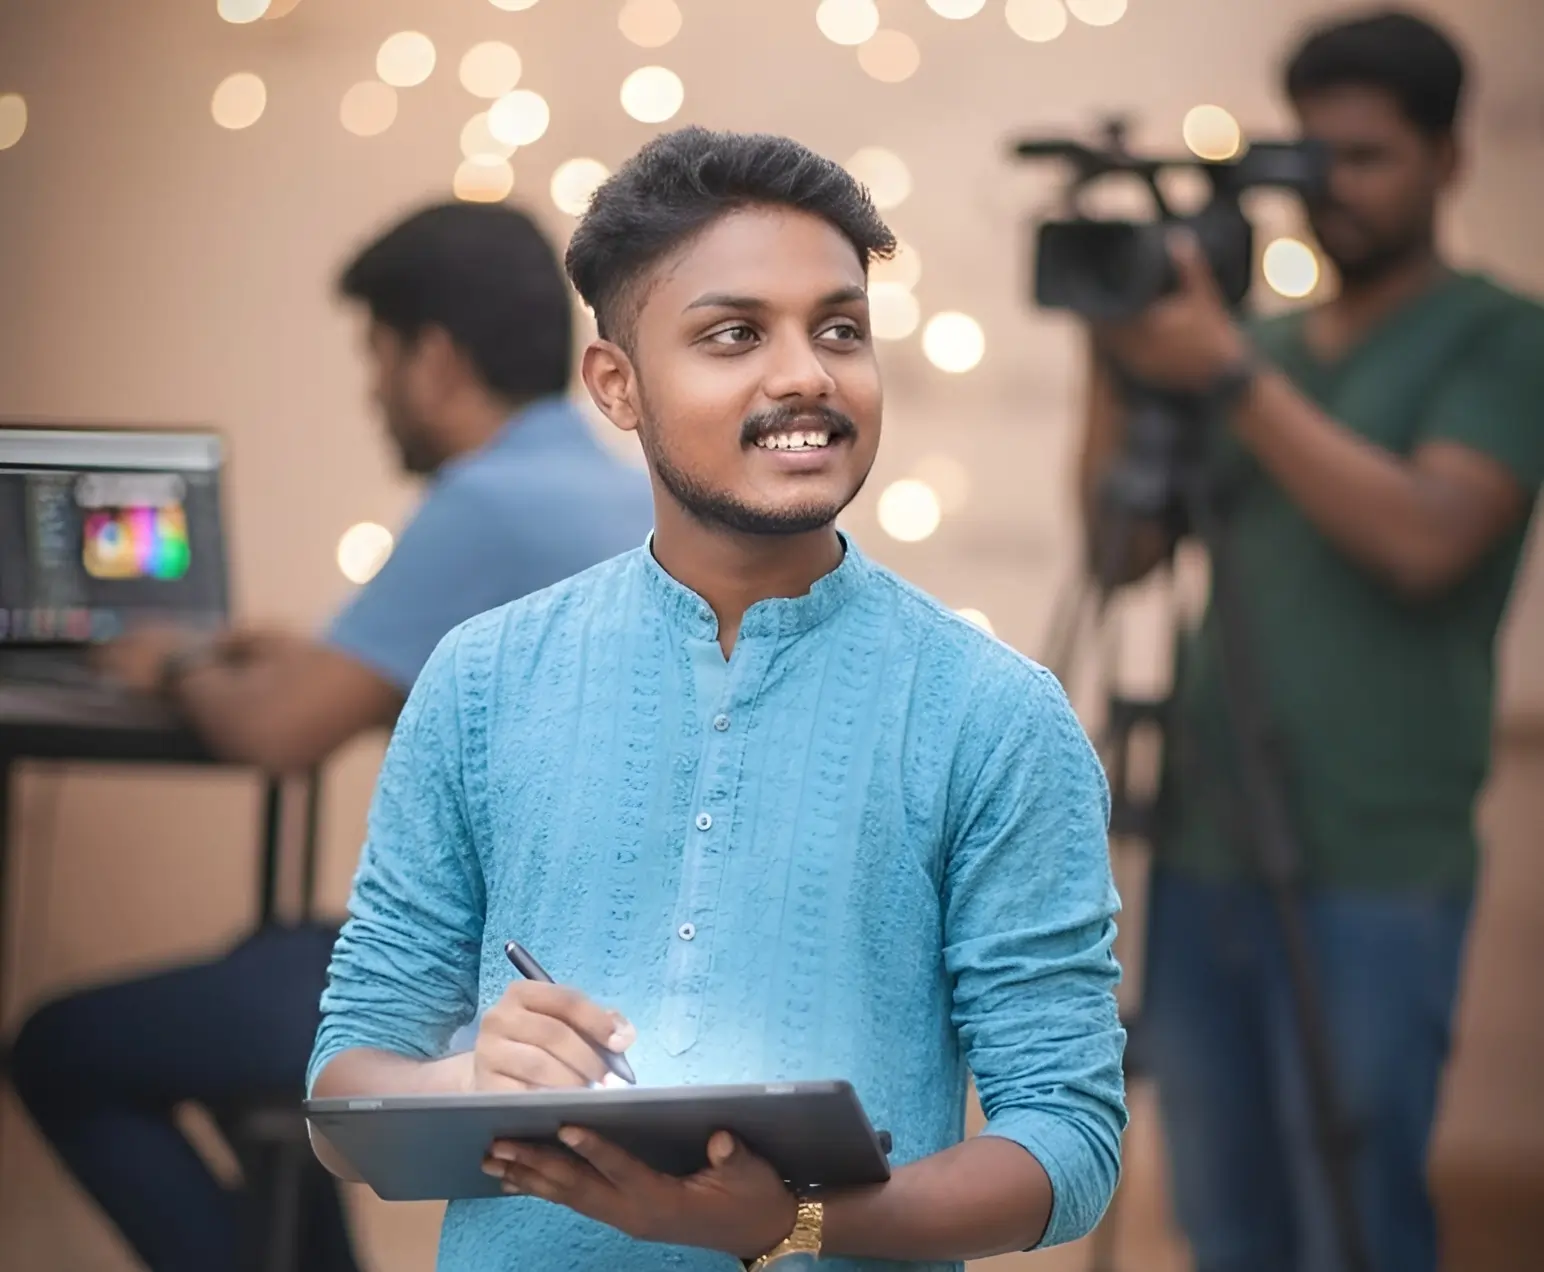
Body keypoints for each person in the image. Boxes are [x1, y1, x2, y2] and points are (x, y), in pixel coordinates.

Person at [307, 126, 1127, 1272]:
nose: (806, 373)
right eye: (734, 335)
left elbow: (1069, 1138)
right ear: (617, 385)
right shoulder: (483, 680)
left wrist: (794, 1222)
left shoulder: (992, 714)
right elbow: (347, 1081)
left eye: (839, 329)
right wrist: (463, 1084)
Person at [10, 201, 653, 1272]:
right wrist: (292, 653)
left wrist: (171, 660)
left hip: (506, 992)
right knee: (265, 969)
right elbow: (400, 685)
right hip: (590, 965)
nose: (372, 394)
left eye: (378, 358)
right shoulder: (592, 482)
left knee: (60, 1046)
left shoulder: (488, 501)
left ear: (434, 359)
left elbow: (279, 734)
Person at [1079, 12, 1544, 1272]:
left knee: (1353, 1224)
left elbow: (1426, 538)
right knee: (1224, 1221)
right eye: (1310, 159)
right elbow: (1118, 554)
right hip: (1207, 845)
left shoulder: (1499, 338)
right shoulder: (1261, 349)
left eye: (1368, 157)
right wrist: (1114, 350)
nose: (1330, 191)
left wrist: (1224, 375)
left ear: (1446, 161)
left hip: (1373, 863)